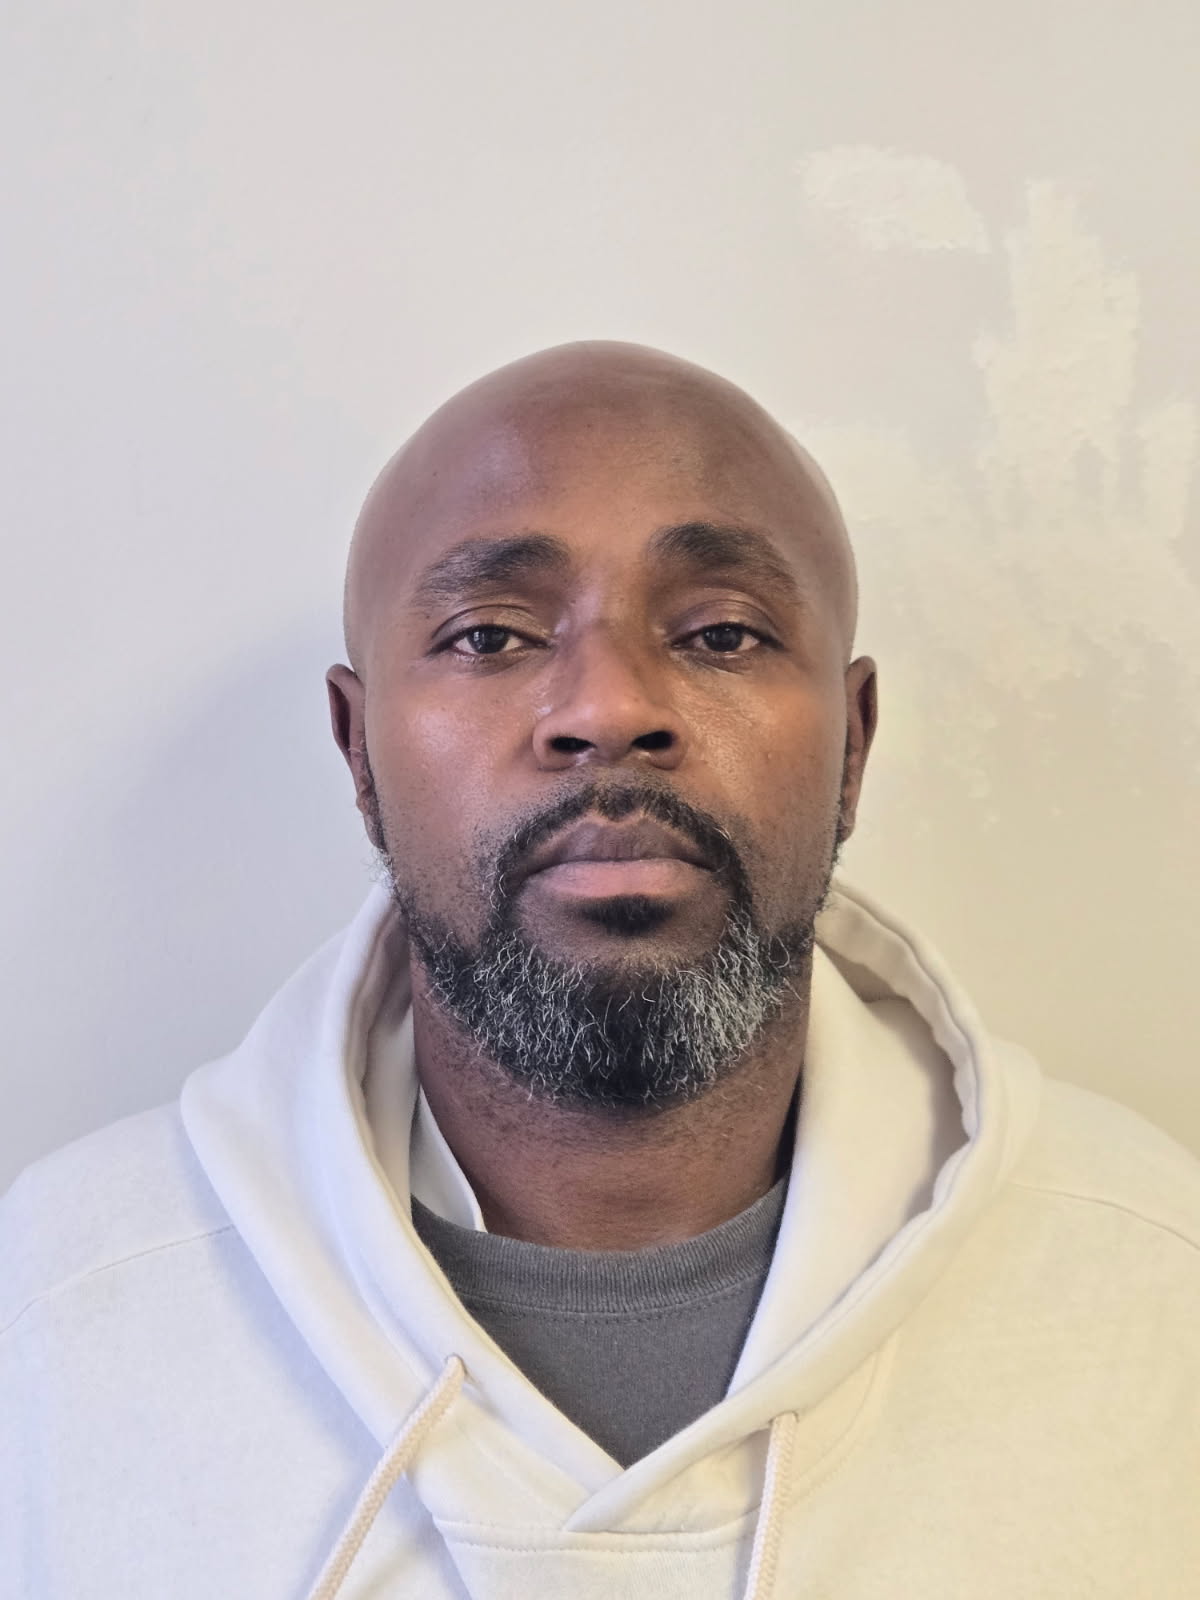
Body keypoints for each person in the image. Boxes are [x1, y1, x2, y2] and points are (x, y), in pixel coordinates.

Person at [2, 342, 1198, 1600]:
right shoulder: (58, 1313)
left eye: (723, 633)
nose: (611, 707)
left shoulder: (1151, 1284)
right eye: (490, 635)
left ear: (852, 746)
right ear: (359, 753)